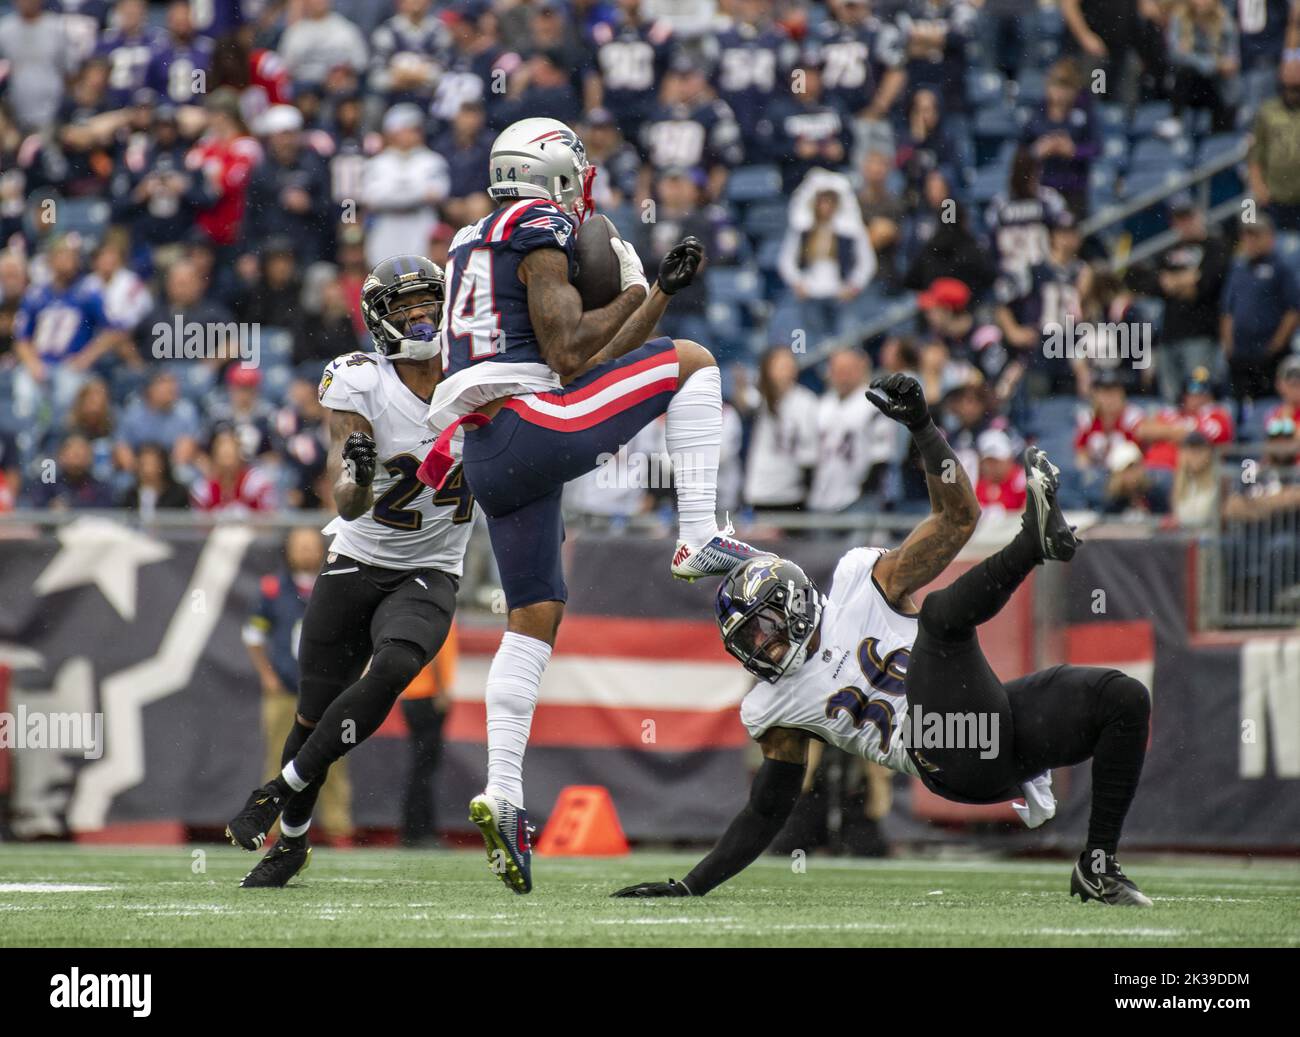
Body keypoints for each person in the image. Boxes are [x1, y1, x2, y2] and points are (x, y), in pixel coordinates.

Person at [613, 373, 1154, 907]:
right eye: (748, 641)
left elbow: (959, 518)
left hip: (994, 728)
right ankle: (1032, 544)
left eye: (761, 627)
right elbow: (766, 811)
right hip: (943, 754)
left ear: (793, 600)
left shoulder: (860, 583)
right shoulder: (772, 705)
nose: (760, 647)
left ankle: (1098, 867)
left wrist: (922, 426)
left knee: (1123, 699)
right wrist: (691, 885)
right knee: (942, 617)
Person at [415, 117, 761, 895]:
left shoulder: (472, 236)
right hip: (529, 424)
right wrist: (644, 292)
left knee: (533, 615)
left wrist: (657, 293)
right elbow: (572, 351)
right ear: (553, 176)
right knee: (697, 364)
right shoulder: (537, 224)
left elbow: (591, 350)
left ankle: (503, 795)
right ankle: (698, 534)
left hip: (489, 452)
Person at [225, 256, 473, 888]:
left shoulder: (478, 375)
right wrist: (362, 471)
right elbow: (348, 501)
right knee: (311, 714)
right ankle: (294, 844)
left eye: (428, 304)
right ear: (378, 320)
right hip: (358, 558)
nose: (420, 316)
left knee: (393, 667)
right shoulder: (360, 381)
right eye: (404, 308)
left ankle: (278, 792)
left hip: (431, 567)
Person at [243, 528, 354, 853]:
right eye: (299, 546)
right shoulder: (273, 588)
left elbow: (357, 635)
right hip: (286, 691)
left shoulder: (337, 584)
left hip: (329, 692)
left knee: (332, 761)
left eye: (311, 546)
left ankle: (338, 828)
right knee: (279, 758)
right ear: (288, 551)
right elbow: (253, 634)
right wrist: (267, 674)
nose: (305, 552)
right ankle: (273, 828)